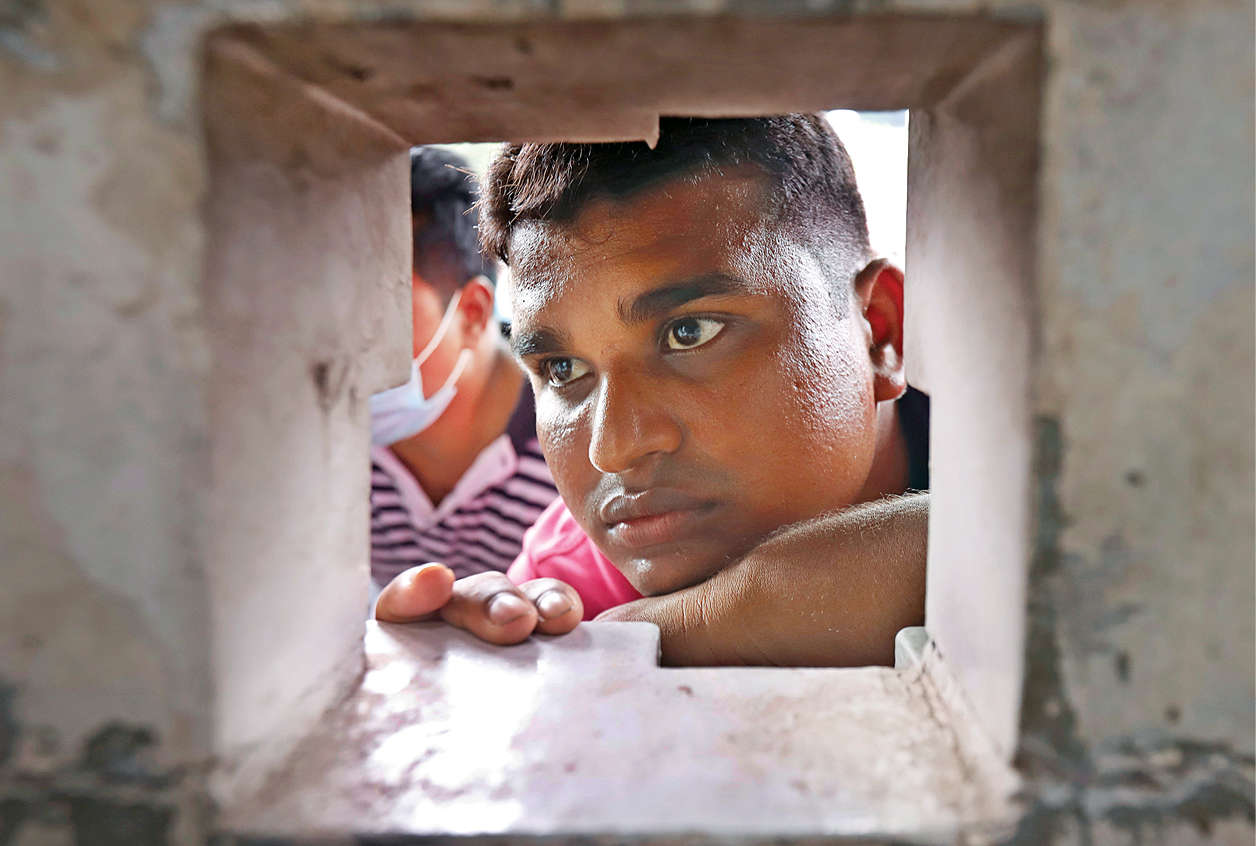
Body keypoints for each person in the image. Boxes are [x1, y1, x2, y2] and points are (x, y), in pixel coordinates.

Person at [374, 117, 930, 666]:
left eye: (689, 333)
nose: (613, 448)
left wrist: (653, 635)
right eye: (562, 369)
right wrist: (450, 680)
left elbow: (976, 533)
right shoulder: (561, 589)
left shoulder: (980, 429)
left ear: (879, 332)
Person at [368, 147, 558, 592]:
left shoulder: (572, 456)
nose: (346, 349)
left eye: (376, 317)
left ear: (472, 312)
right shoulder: (327, 447)